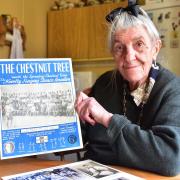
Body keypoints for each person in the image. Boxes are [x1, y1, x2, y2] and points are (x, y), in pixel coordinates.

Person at [75, 0, 180, 177]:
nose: (129, 56)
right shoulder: (105, 83)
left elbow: (169, 159)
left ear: (155, 48)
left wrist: (107, 119)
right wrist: (73, 116)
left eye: (139, 44)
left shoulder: (172, 89)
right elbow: (81, 140)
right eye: (119, 47)